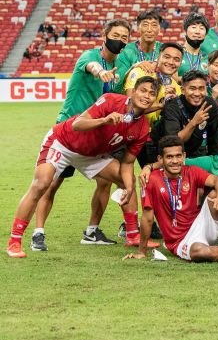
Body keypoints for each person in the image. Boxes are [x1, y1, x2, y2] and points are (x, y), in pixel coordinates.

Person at [7, 78, 160, 258]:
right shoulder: (111, 100)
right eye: (143, 90)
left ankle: (133, 235)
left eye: (152, 93)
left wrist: (127, 187)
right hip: (62, 143)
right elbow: (77, 124)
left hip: (92, 155)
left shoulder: (142, 127)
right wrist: (104, 120)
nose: (147, 96)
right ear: (133, 92)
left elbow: (127, 163)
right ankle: (14, 242)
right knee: (42, 184)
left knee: (127, 180)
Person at [30, 19, 132, 251]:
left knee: (104, 181)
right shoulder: (89, 57)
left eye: (124, 37)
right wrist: (102, 73)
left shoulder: (120, 68)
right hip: (69, 132)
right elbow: (92, 68)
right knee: (51, 184)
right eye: (116, 35)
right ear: (104, 36)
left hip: (97, 133)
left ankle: (92, 231)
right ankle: (38, 233)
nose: (120, 40)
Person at [127, 136, 218, 263]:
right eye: (169, 157)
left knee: (216, 195)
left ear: (184, 156)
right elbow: (147, 218)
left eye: (178, 156)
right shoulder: (151, 180)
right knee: (200, 252)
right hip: (180, 240)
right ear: (160, 159)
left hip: (201, 224)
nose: (175, 161)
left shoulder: (191, 171)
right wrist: (142, 251)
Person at [152, 70, 218, 159]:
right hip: (163, 152)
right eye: (192, 88)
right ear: (183, 90)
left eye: (201, 88)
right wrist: (193, 122)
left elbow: (213, 138)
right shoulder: (172, 107)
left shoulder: (210, 105)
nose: (197, 93)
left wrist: (214, 162)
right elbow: (174, 142)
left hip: (195, 148)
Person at [114, 10, 163, 87]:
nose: (149, 30)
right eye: (145, 25)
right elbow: (117, 83)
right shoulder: (126, 51)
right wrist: (134, 67)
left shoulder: (165, 50)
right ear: (138, 28)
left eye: (154, 25)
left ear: (159, 29)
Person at [177, 12, 209, 77]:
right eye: (193, 27)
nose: (197, 32)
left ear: (206, 34)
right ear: (185, 31)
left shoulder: (208, 58)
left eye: (201, 28)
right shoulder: (176, 54)